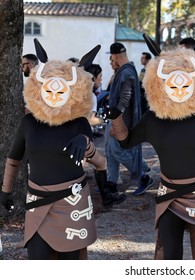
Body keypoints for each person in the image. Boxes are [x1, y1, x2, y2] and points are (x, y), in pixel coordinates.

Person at [108, 29, 195, 259]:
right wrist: (116, 117)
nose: (178, 90)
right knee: (170, 256)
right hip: (169, 195)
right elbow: (126, 142)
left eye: (184, 85)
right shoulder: (153, 120)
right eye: (172, 86)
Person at [0, 40, 122, 259]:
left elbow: (99, 160)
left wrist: (85, 144)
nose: (55, 96)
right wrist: (5, 191)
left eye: (61, 91)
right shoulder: (28, 123)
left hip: (72, 207)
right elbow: (13, 159)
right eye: (50, 90)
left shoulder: (77, 123)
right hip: (38, 207)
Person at [105, 42, 153, 197]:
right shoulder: (128, 70)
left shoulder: (126, 73)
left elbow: (124, 101)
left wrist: (116, 125)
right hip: (119, 118)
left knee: (118, 152)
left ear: (115, 56)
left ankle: (143, 177)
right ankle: (111, 183)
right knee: (110, 151)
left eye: (111, 57)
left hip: (122, 121)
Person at [84, 63, 105, 137]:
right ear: (94, 77)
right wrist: (104, 120)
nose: (101, 79)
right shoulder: (91, 96)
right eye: (100, 76)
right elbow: (90, 120)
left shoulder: (77, 93)